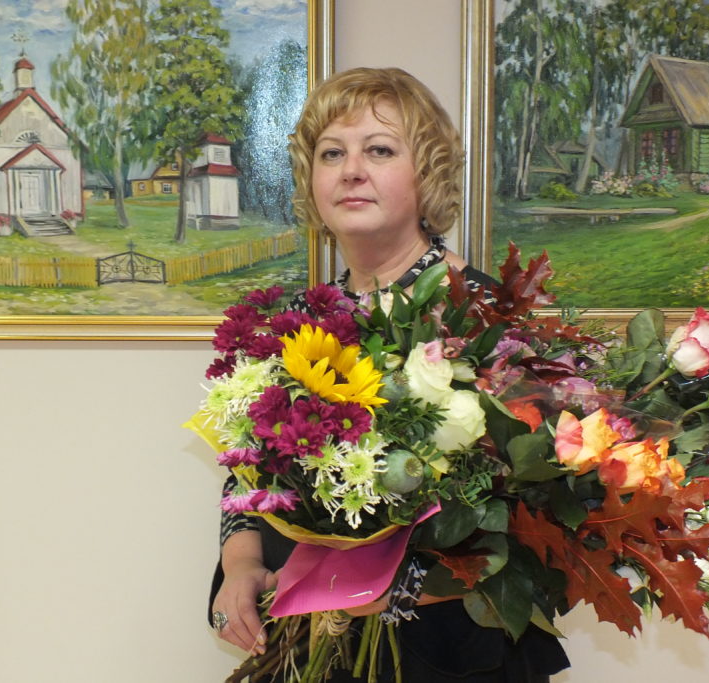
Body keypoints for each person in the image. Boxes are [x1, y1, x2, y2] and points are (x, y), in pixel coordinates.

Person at [209, 67, 570, 682]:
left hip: (455, 655)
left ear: (427, 173)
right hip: (307, 643)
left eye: (379, 150)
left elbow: (543, 515)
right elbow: (246, 472)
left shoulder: (486, 318)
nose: (351, 170)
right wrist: (240, 565)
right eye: (332, 153)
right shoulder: (292, 323)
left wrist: (396, 587)